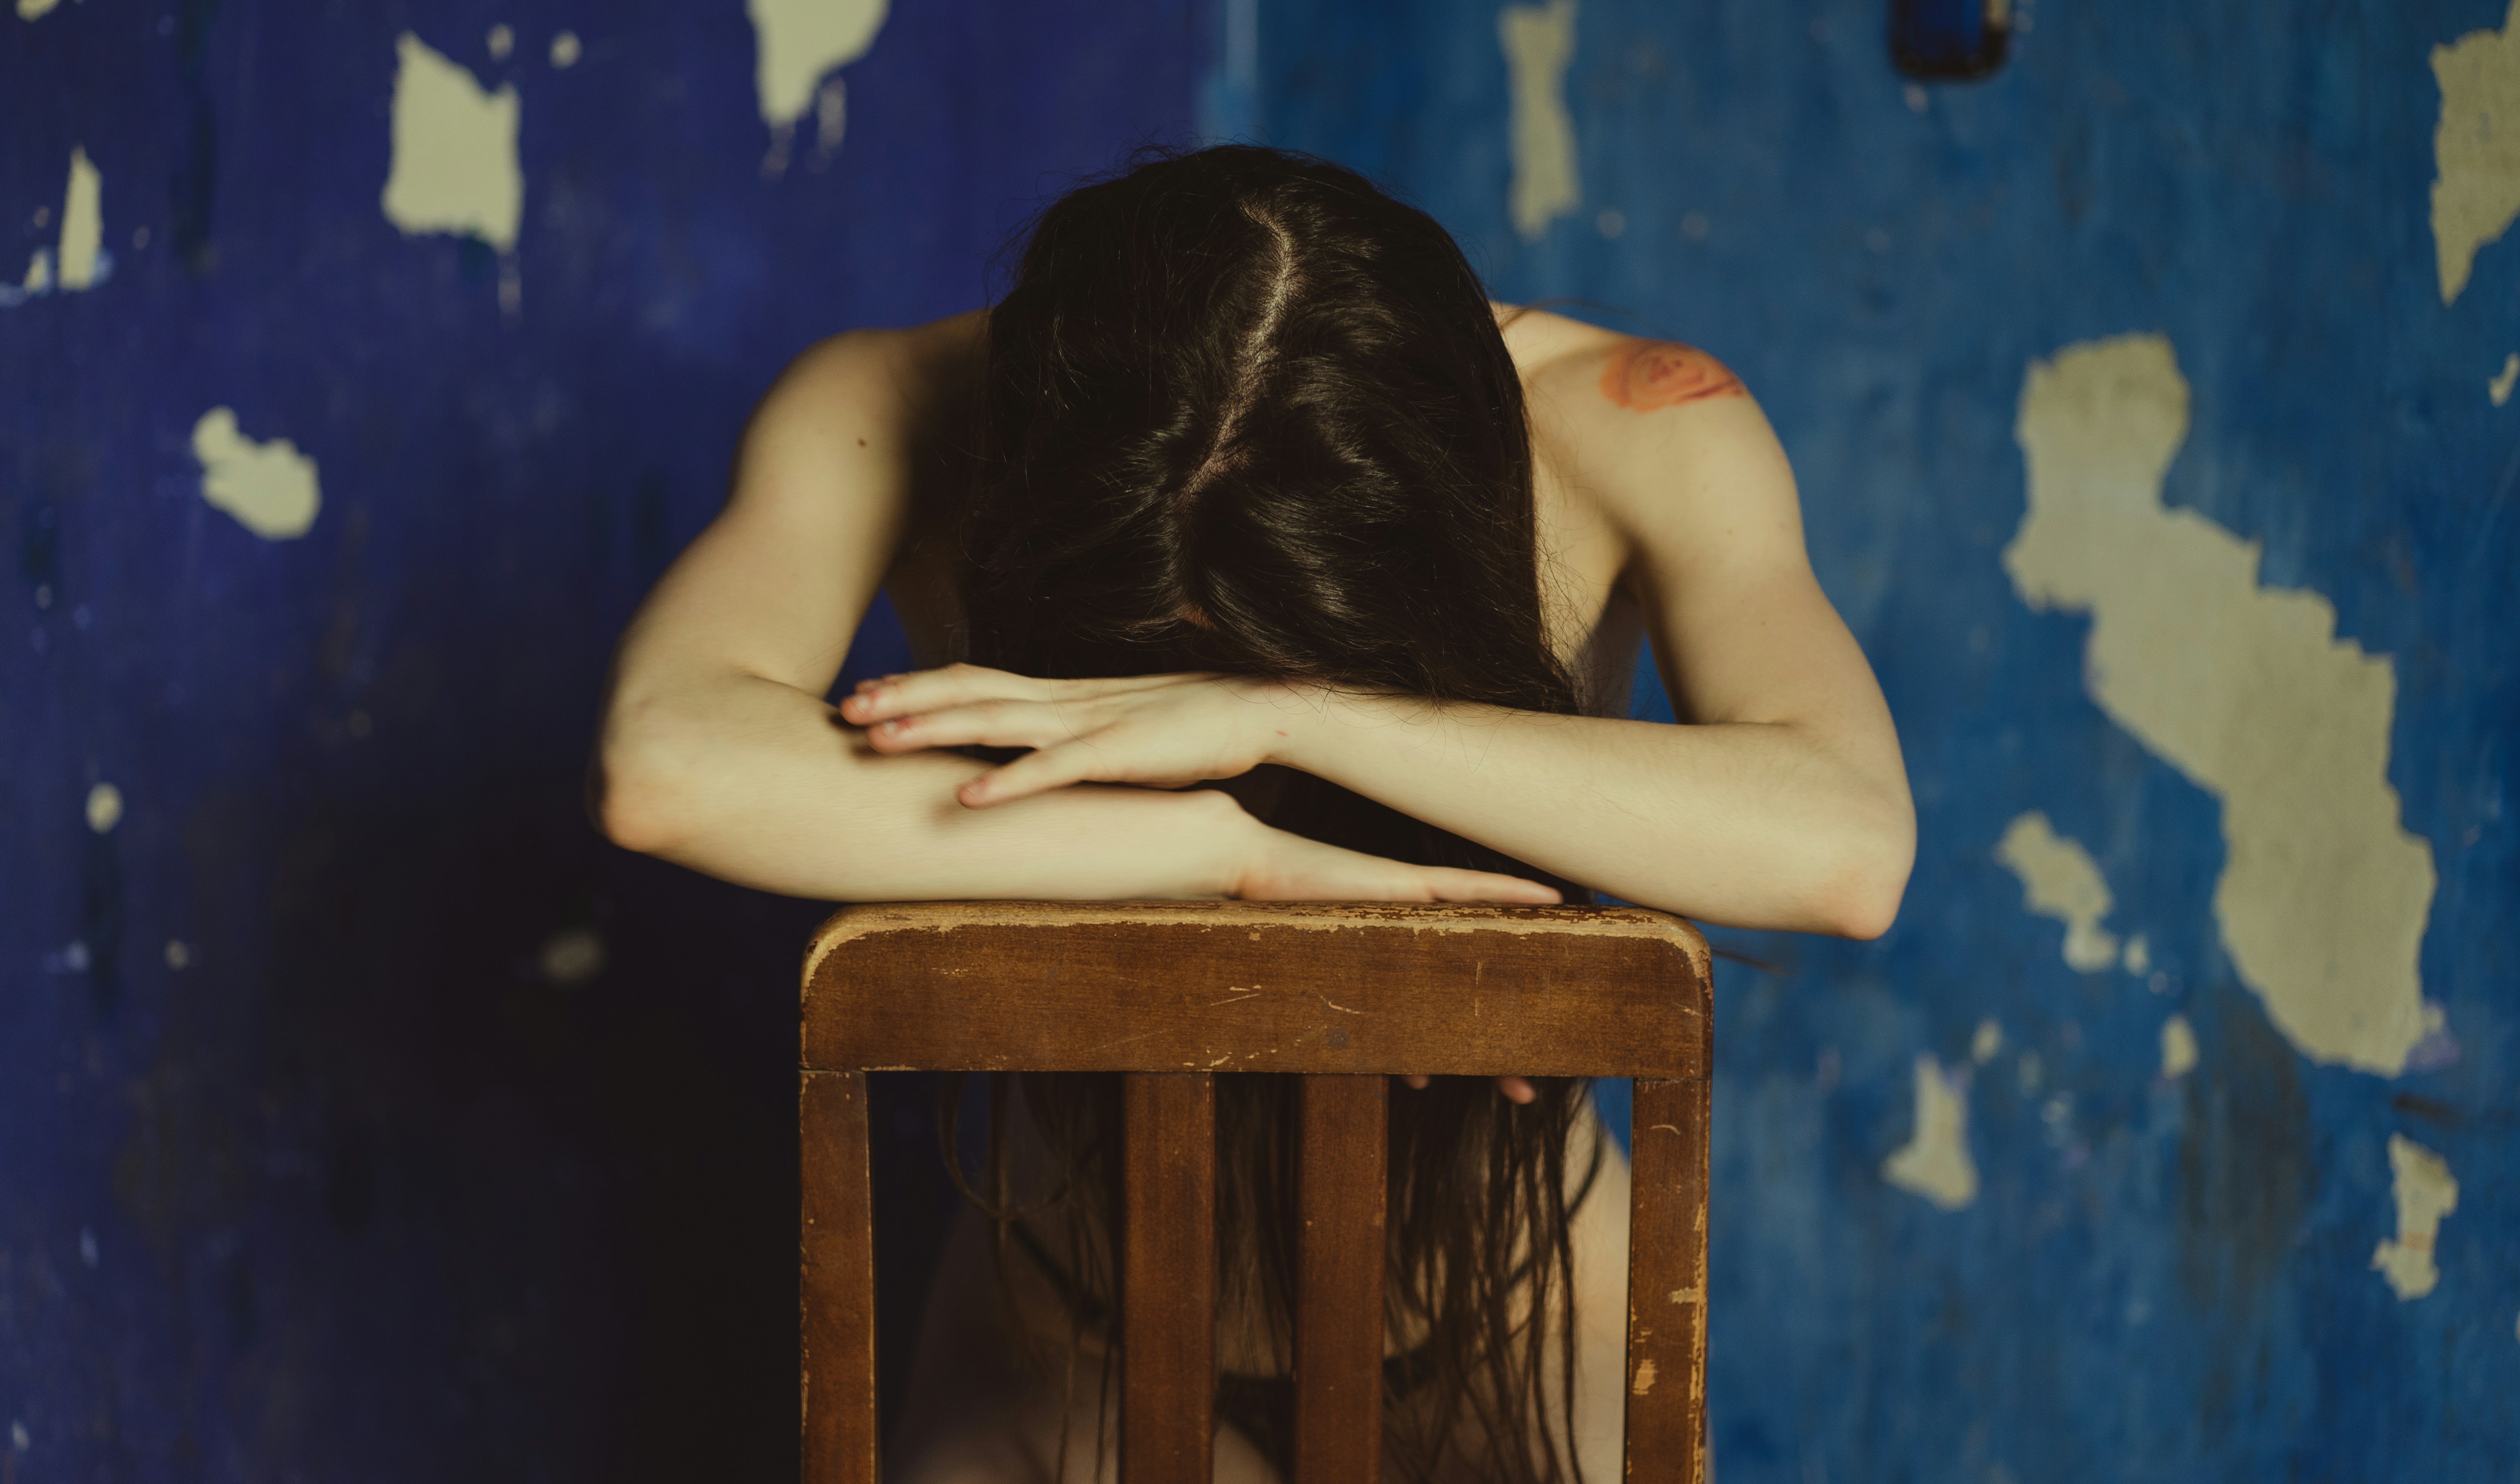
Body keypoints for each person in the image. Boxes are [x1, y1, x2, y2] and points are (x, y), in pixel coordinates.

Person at [591, 146, 1914, 1481]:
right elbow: (671, 765)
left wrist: (1294, 718)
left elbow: (1845, 843)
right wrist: (1217, 852)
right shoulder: (899, 405)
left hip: (1512, 1308)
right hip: (1068, 1319)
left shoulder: (1631, 421)